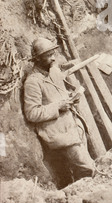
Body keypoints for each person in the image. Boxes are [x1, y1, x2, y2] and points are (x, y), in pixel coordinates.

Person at [24, 37, 95, 184]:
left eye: (53, 54)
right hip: (58, 134)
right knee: (87, 168)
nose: (53, 58)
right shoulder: (33, 82)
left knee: (83, 169)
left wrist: (71, 97)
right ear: (37, 59)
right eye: (48, 56)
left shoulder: (54, 71)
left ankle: (81, 195)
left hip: (73, 126)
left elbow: (59, 94)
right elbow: (32, 113)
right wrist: (58, 107)